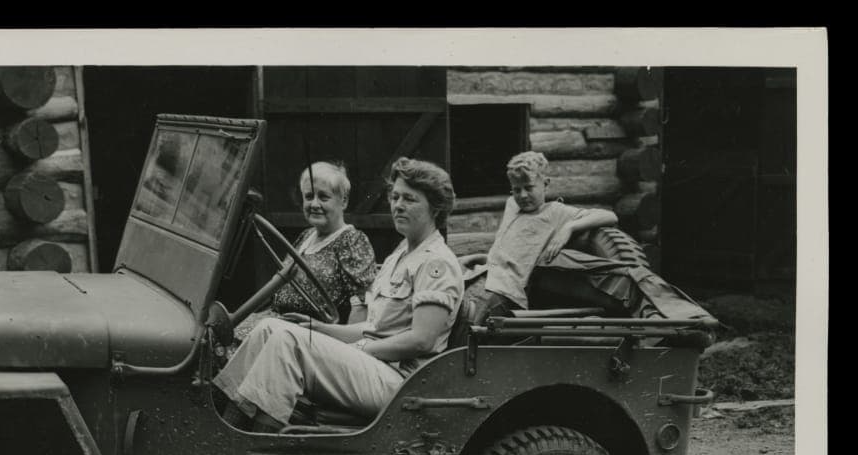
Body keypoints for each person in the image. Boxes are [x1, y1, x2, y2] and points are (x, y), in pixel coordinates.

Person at [215, 157, 463, 432]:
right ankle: (222, 423)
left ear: (436, 208)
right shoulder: (400, 255)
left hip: (401, 380)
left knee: (287, 341)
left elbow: (422, 340)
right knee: (270, 328)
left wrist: (362, 348)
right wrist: (319, 328)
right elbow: (372, 327)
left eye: (410, 199)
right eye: (394, 197)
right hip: (376, 364)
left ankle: (254, 442)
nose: (398, 206)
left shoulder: (436, 261)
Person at [233, 161, 377, 343]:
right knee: (220, 337)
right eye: (309, 197)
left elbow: (361, 306)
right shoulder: (306, 236)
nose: (314, 204)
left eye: (324, 197)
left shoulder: (352, 240)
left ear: (344, 201)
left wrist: (344, 352)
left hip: (312, 334)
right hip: (279, 322)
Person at [471, 150, 619, 322]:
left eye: (529, 188)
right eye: (516, 190)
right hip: (484, 276)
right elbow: (510, 248)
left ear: (545, 183)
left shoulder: (556, 212)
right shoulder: (512, 205)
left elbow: (610, 216)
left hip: (506, 290)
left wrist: (569, 227)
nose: (523, 195)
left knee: (471, 324)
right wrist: (477, 258)